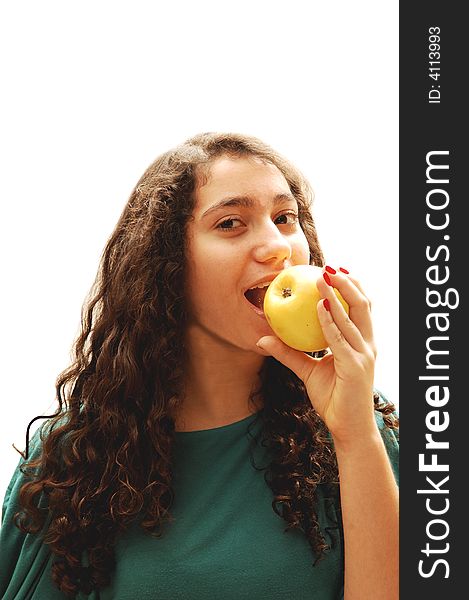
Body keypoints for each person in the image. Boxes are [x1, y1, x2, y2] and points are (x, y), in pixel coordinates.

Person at [0, 132, 399, 599]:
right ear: (168, 264)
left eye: (285, 218)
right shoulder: (77, 456)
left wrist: (354, 433)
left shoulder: (360, 428)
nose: (278, 246)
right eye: (231, 223)